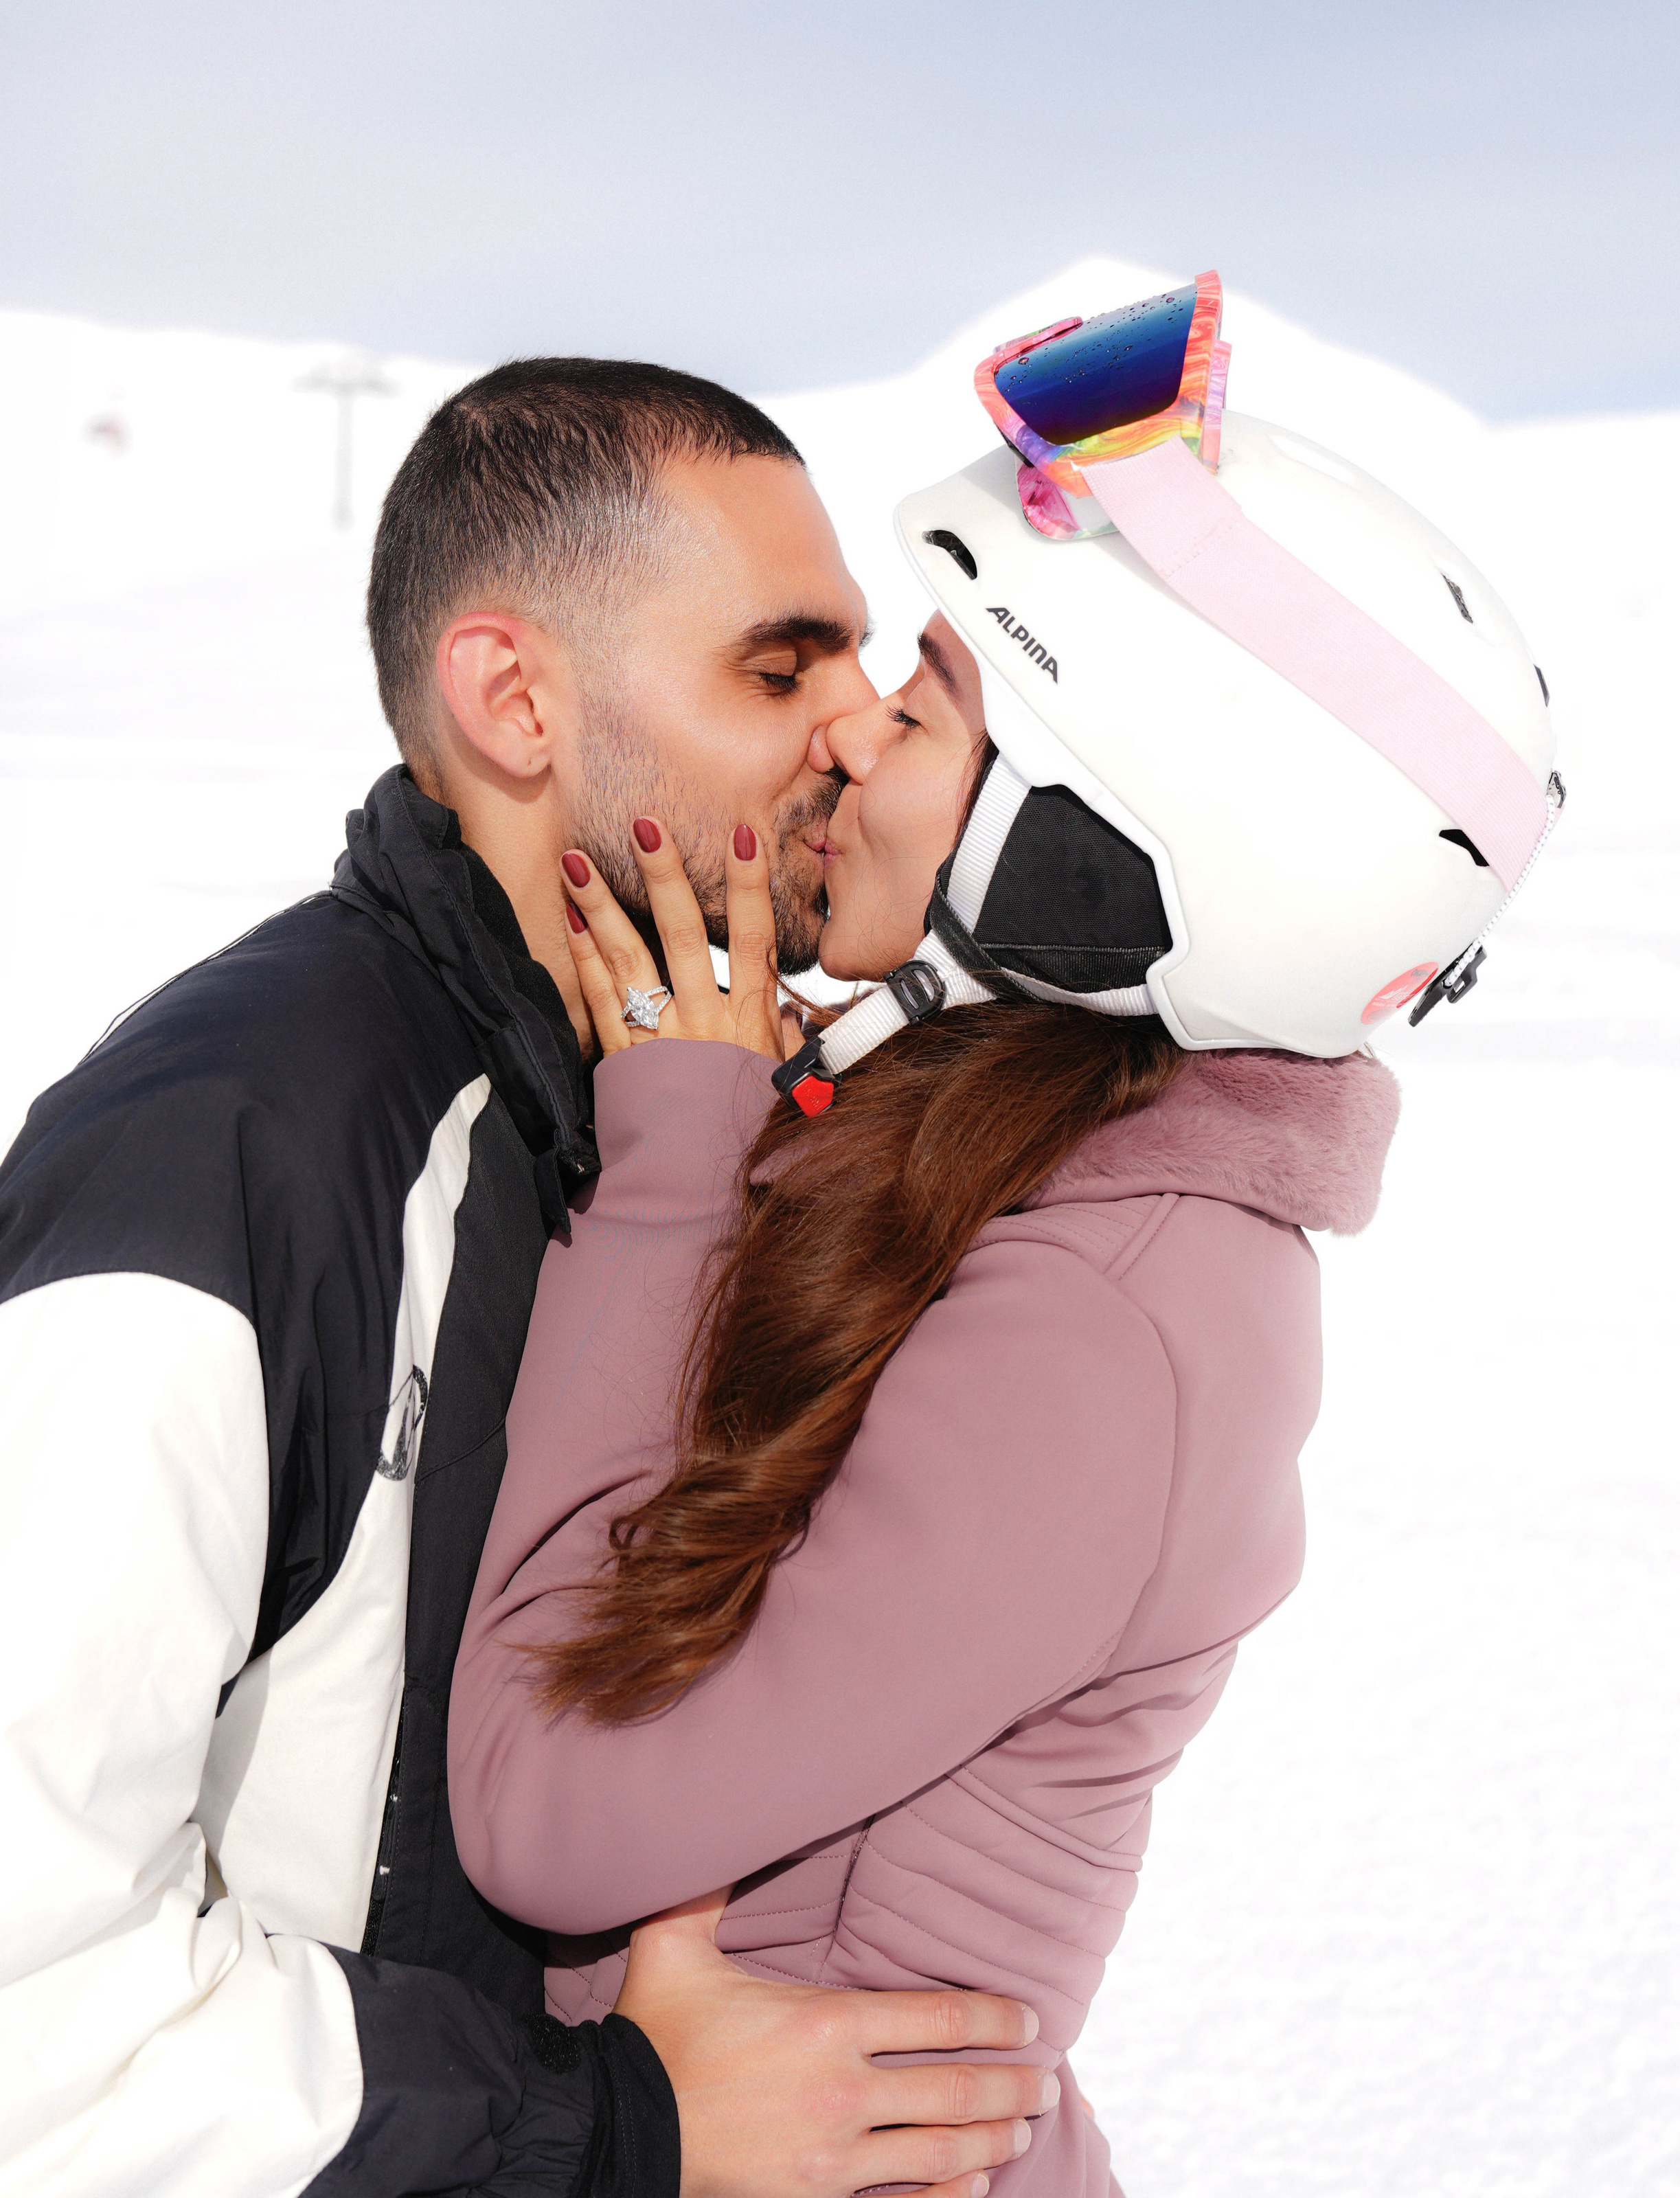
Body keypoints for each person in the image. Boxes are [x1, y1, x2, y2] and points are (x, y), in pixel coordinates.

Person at [449, 287, 1564, 2191]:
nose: (851, 735)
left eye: (924, 710)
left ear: (1084, 860)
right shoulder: (1014, 1160)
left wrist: (675, 1169)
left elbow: (551, 1812)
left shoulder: (1113, 1332)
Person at [0, 361, 1048, 2198]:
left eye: (864, 665)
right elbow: (33, 2016)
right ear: (515, 699)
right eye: (779, 670)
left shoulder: (687, 1116)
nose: (858, 729)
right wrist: (612, 2128)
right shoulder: (238, 1152)